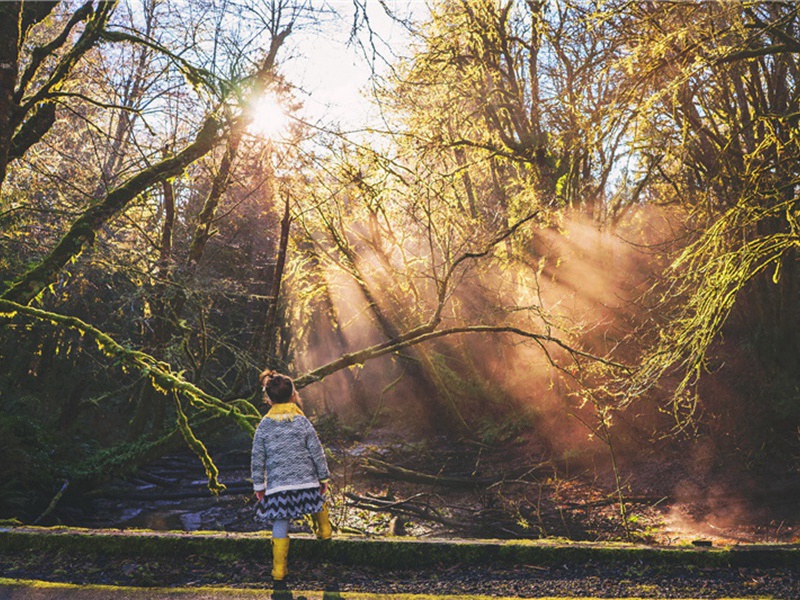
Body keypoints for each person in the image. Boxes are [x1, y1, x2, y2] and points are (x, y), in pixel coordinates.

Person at [251, 370, 332, 584]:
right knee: (317, 501)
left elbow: (257, 458)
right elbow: (316, 451)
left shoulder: (264, 427)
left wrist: (259, 485)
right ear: (294, 395)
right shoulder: (302, 422)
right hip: (307, 482)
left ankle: (279, 570)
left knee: (280, 521)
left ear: (268, 399)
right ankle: (324, 530)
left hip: (279, 487)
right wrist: (323, 478)